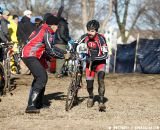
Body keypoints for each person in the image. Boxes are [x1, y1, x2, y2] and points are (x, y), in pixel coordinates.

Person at [21, 15, 69, 114]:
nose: (58, 28)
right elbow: (50, 50)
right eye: (57, 26)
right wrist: (63, 56)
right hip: (30, 55)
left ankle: (38, 103)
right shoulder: (46, 32)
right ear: (53, 25)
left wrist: (64, 52)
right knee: (42, 77)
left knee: (40, 77)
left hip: (30, 54)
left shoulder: (43, 29)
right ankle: (30, 106)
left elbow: (50, 47)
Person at [77, 20, 108, 111]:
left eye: (92, 31)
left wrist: (94, 58)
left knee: (100, 79)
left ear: (96, 31)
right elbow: (76, 43)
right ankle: (91, 96)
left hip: (100, 63)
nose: (90, 33)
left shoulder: (101, 39)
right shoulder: (84, 37)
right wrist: (72, 48)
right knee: (89, 85)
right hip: (89, 64)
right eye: (88, 30)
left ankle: (101, 101)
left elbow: (105, 55)